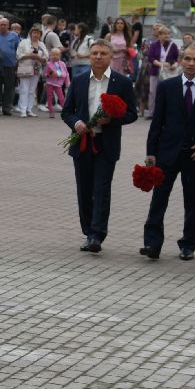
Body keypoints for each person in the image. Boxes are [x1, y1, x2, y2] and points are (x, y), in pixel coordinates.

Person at [62, 39, 138, 253]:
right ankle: (88, 231)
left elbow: (132, 113)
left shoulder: (121, 82)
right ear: (89, 55)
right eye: (94, 53)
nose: (98, 57)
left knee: (101, 190)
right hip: (82, 144)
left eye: (103, 53)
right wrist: (77, 123)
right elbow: (67, 111)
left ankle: (97, 235)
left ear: (110, 56)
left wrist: (111, 120)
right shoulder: (78, 80)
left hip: (106, 145)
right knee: (84, 190)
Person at [141, 43, 195, 261]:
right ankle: (152, 244)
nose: (191, 63)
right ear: (181, 60)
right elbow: (158, 121)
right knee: (159, 200)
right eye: (188, 59)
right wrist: (151, 151)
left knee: (194, 201)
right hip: (167, 152)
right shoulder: (167, 86)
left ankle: (188, 244)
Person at [43, 48, 69, 116]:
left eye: (57, 55)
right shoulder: (48, 64)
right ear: (50, 55)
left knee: (61, 97)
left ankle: (65, 110)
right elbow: (45, 74)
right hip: (50, 83)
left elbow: (66, 74)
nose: (55, 56)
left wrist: (67, 83)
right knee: (49, 96)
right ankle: (51, 111)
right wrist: (50, 74)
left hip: (58, 83)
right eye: (53, 55)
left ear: (60, 55)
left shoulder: (62, 64)